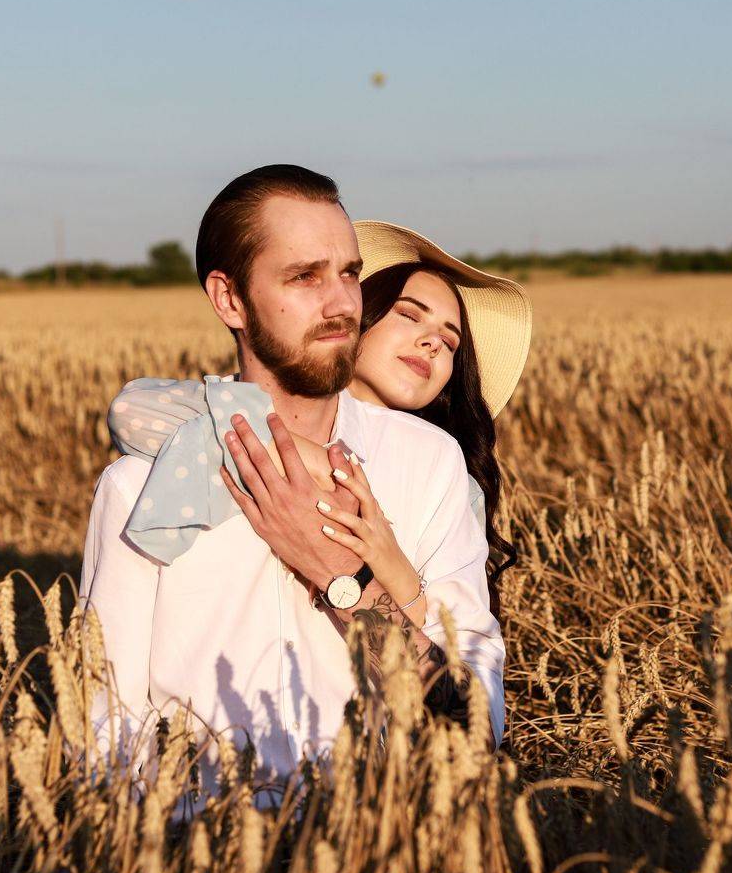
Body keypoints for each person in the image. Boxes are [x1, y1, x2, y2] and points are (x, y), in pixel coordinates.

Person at [78, 165, 530, 797]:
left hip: (379, 838)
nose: (342, 302)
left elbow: (476, 723)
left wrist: (343, 577)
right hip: (202, 839)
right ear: (229, 299)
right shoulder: (144, 489)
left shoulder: (429, 467)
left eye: (349, 273)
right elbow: (106, 730)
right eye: (304, 277)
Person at [108, 221, 530, 620]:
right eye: (409, 315)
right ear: (354, 316)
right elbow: (132, 411)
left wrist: (388, 563)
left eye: (450, 342)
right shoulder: (251, 409)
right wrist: (317, 462)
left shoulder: (446, 478)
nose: (432, 342)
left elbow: (450, 643)